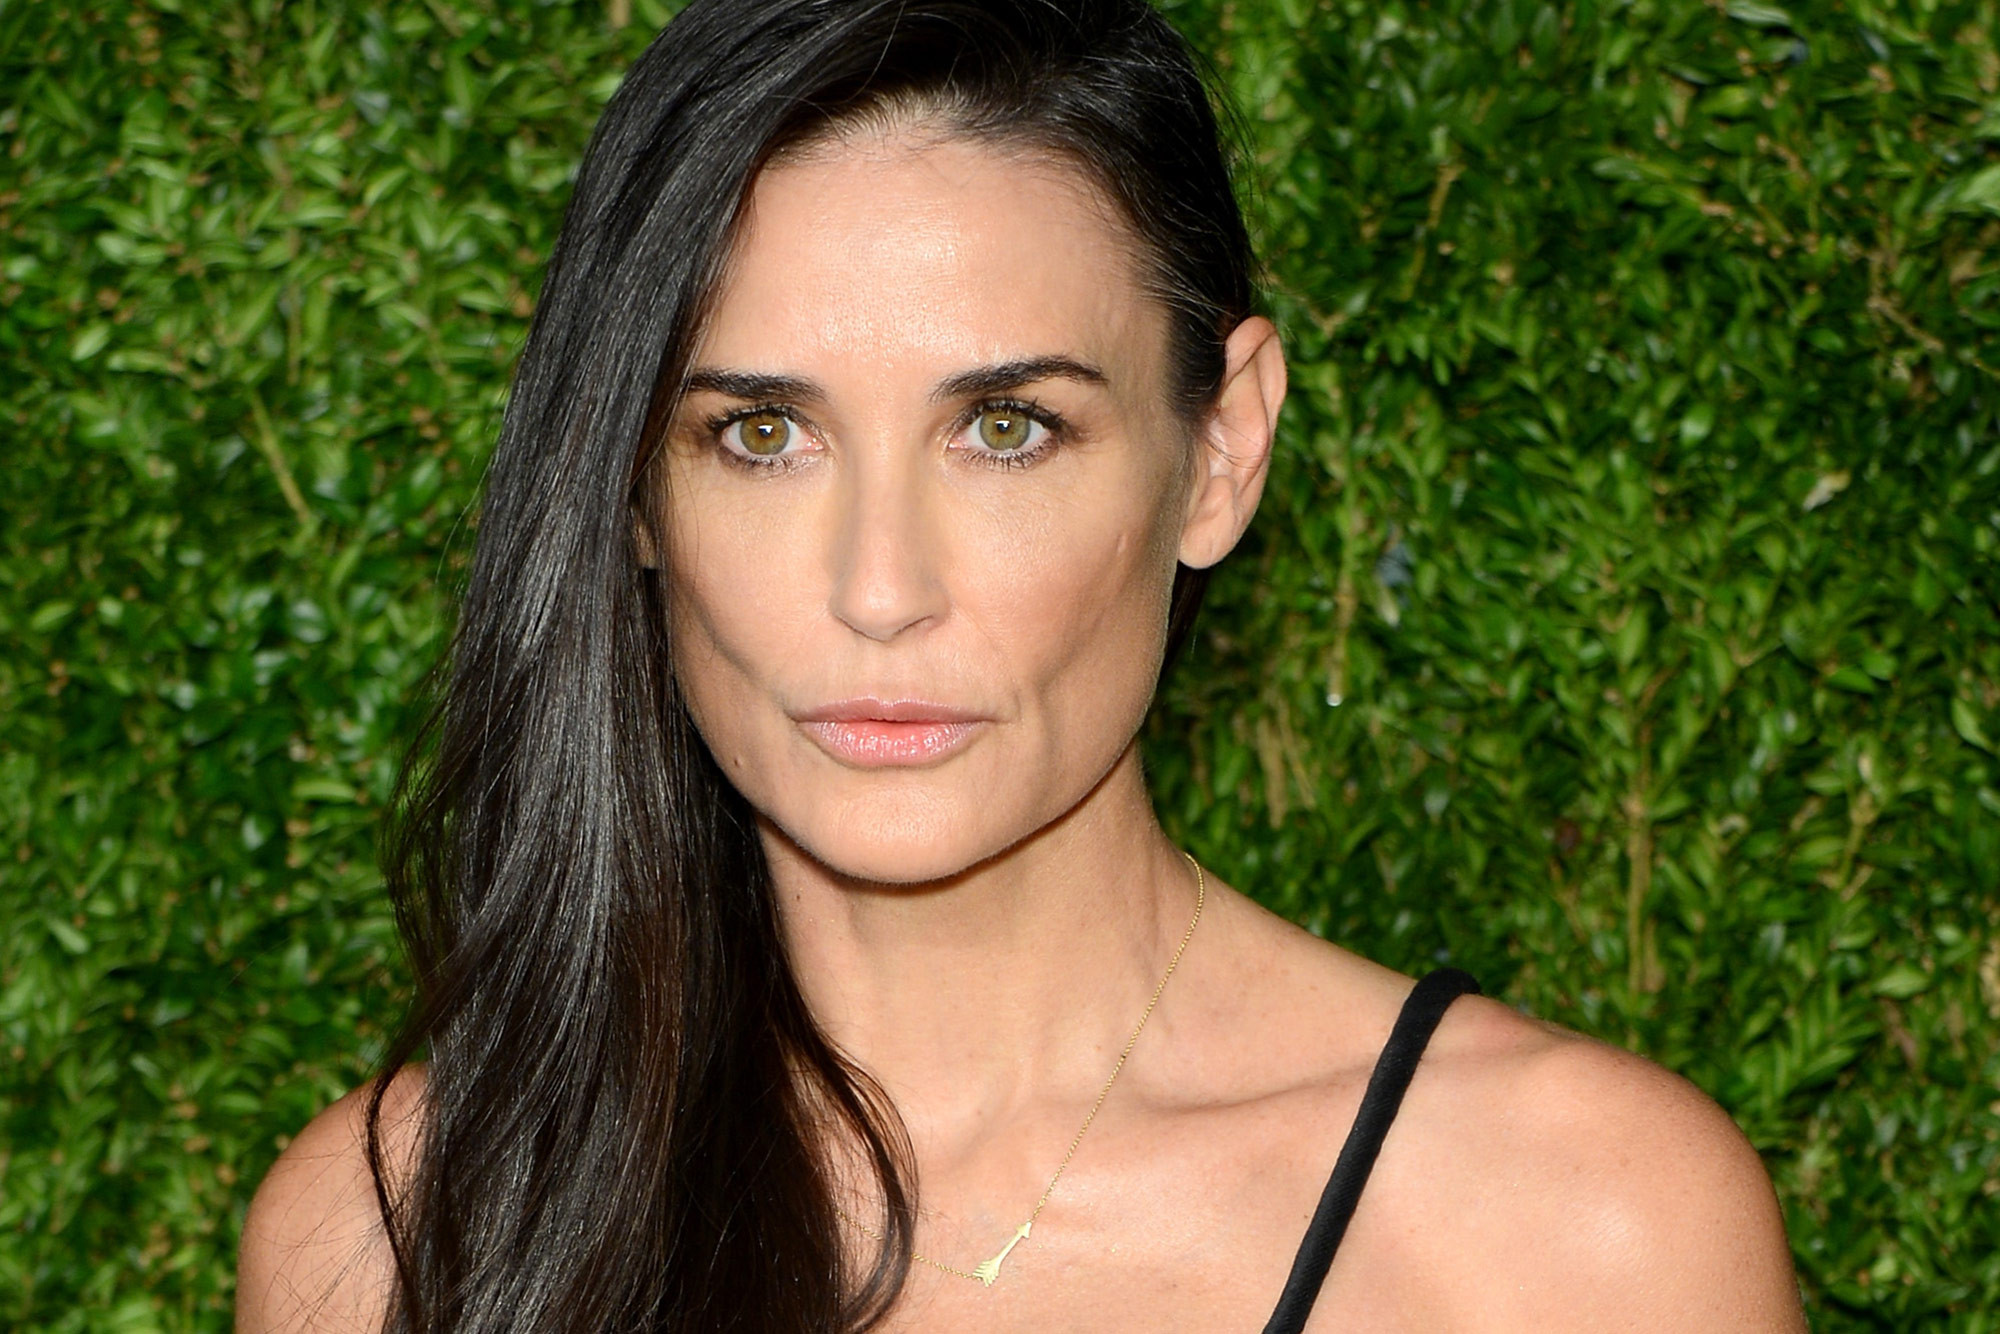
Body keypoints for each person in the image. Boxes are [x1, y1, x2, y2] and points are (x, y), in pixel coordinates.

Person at [235, 0, 1809, 1329]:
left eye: (1006, 428)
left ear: (1222, 450)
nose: (879, 591)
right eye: (762, 433)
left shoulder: (1577, 1237)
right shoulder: (392, 1238)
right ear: (635, 488)